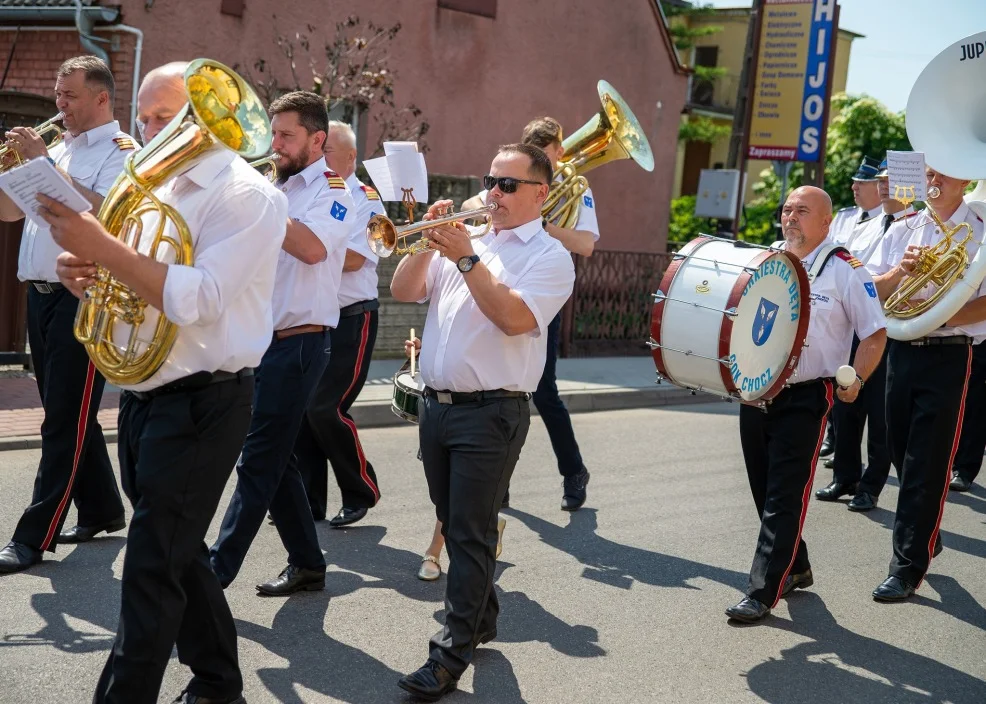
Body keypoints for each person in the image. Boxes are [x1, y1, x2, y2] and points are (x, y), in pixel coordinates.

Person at [43, 60, 288, 704]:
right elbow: (130, 272)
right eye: (145, 117)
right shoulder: (149, 181)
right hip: (147, 394)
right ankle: (218, 682)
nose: (150, 131)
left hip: (207, 397)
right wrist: (82, 269)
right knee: (178, 551)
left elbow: (200, 298)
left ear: (205, 116)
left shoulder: (248, 195)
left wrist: (105, 249)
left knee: (151, 568)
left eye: (166, 117)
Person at [391, 143, 574, 699]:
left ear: (540, 194)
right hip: (437, 405)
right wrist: (427, 243)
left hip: (492, 412)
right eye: (490, 180)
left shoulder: (549, 256)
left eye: (508, 184)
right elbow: (402, 291)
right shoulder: (472, 239)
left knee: (469, 533)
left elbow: (515, 319)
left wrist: (467, 257)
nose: (493, 193)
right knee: (453, 517)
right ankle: (484, 617)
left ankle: (449, 656)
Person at [210, 93, 355, 596]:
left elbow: (312, 248)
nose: (274, 145)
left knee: (256, 458)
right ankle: (308, 562)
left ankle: (213, 574)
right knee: (277, 458)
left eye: (285, 135)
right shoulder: (273, 186)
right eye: (272, 134)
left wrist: (260, 199)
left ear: (318, 140)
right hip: (256, 339)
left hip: (299, 344)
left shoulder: (336, 192)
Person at [726, 186, 887, 623]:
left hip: (806, 394)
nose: (790, 217)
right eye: (787, 209)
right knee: (763, 489)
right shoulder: (768, 258)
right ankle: (796, 566)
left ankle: (762, 592)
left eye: (802, 211)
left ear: (826, 222)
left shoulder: (844, 269)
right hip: (757, 389)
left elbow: (874, 332)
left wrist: (857, 379)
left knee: (784, 495)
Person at [0, 56, 130, 574]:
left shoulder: (123, 152)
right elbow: (10, 213)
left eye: (69, 96)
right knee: (67, 408)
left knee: (62, 418)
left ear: (101, 98)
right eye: (57, 95)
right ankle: (101, 508)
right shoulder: (59, 146)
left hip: (84, 293)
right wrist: (13, 172)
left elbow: (105, 211)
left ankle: (34, 535)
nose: (60, 106)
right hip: (39, 293)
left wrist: (44, 167)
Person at [869, 165, 985, 601]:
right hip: (900, 349)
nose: (932, 179)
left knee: (926, 463)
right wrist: (901, 272)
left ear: (966, 179)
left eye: (943, 172)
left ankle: (906, 567)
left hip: (948, 354)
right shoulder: (905, 226)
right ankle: (925, 530)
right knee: (899, 450)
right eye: (928, 171)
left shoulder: (981, 232)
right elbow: (872, 289)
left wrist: (942, 312)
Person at [294, 120, 384, 527]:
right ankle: (309, 502)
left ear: (350, 158)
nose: (319, 156)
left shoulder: (366, 199)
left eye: (328, 151)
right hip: (318, 316)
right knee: (302, 412)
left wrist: (312, 249)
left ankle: (361, 489)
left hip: (353, 317)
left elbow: (356, 258)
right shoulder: (308, 189)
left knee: (326, 407)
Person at [817, 157, 913, 510]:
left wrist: (862, 287)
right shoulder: (871, 224)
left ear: (910, 186)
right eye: (882, 180)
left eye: (891, 179)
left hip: (889, 329)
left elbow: (884, 286)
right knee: (846, 404)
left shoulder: (916, 226)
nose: (883, 184)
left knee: (879, 414)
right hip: (856, 325)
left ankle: (870, 486)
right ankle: (845, 476)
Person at [818, 155, 884, 461]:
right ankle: (834, 439)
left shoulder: (887, 220)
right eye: (856, 181)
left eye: (863, 182)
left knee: (861, 393)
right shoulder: (844, 216)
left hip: (866, 308)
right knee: (835, 379)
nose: (854, 186)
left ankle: (859, 467)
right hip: (837, 310)